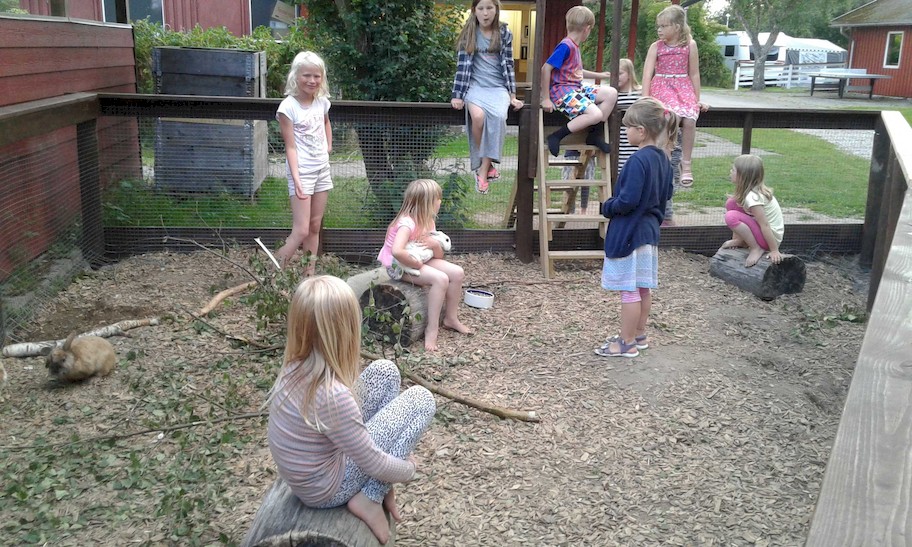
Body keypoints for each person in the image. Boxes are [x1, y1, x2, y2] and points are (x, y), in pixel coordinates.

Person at [267, 275, 436, 545]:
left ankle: (380, 489)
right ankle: (369, 498)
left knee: (386, 370)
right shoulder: (332, 395)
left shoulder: (294, 369)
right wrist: (408, 470)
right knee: (421, 400)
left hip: (310, 478)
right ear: (346, 331)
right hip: (326, 490)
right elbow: (374, 462)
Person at [595, 97, 677, 358]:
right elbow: (667, 193)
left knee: (629, 290)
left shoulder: (637, 161)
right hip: (649, 234)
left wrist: (608, 206)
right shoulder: (664, 160)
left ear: (641, 131)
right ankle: (639, 335)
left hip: (630, 234)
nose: (626, 131)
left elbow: (628, 201)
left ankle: (626, 342)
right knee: (642, 287)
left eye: (628, 127)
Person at [377, 179, 472, 351]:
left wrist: (435, 245)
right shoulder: (407, 224)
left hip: (419, 260)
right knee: (440, 279)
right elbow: (397, 251)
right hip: (399, 266)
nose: (440, 202)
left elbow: (439, 256)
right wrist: (416, 263)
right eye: (437, 199)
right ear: (426, 203)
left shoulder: (428, 221)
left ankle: (451, 318)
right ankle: (431, 329)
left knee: (457, 273)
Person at [451, 0, 524, 195]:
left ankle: (483, 171)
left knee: (499, 118)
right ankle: (487, 168)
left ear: (496, 10)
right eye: (481, 9)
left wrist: (513, 96)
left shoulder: (504, 34)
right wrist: (457, 96)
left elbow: (508, 66)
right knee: (478, 118)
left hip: (497, 88)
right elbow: (461, 68)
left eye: (489, 8)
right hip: (475, 87)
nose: (485, 13)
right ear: (474, 11)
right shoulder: (469, 34)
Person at [275, 51, 333, 272]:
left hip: (321, 170)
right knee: (300, 229)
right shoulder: (287, 108)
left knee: (315, 225)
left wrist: (328, 145)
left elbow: (326, 122)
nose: (312, 81)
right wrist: (297, 179)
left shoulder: (322, 102)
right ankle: (273, 272)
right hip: (302, 172)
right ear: (296, 76)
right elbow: (290, 147)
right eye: (307, 75)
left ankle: (309, 275)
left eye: (317, 76)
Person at [641, 4, 707, 188]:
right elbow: (647, 74)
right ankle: (666, 157)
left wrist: (697, 98)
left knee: (689, 119)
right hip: (662, 86)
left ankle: (686, 163)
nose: (659, 30)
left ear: (677, 26)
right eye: (658, 26)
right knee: (669, 116)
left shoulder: (690, 45)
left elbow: (694, 73)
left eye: (664, 26)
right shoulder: (656, 47)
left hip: (682, 87)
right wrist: (645, 97)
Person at [541, 5, 618, 158]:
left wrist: (600, 75)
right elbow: (545, 68)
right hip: (562, 92)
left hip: (576, 88)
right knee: (595, 114)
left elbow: (576, 71)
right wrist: (546, 98)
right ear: (587, 29)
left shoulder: (574, 46)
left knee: (611, 93)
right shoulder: (565, 46)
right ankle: (556, 135)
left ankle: (594, 134)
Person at [720, 154, 784, 267]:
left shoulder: (753, 197)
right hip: (763, 235)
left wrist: (774, 250)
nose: (730, 172)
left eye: (733, 170)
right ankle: (740, 241)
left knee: (731, 217)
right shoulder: (750, 193)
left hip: (768, 240)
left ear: (742, 176)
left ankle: (756, 248)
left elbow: (765, 225)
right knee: (732, 203)